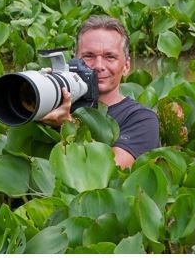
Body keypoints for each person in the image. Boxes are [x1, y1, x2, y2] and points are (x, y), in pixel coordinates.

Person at [42, 16, 160, 169]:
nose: (98, 66)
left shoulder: (142, 119)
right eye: (88, 56)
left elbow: (110, 170)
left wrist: (67, 125)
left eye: (109, 57)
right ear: (74, 61)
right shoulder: (52, 103)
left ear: (126, 66)